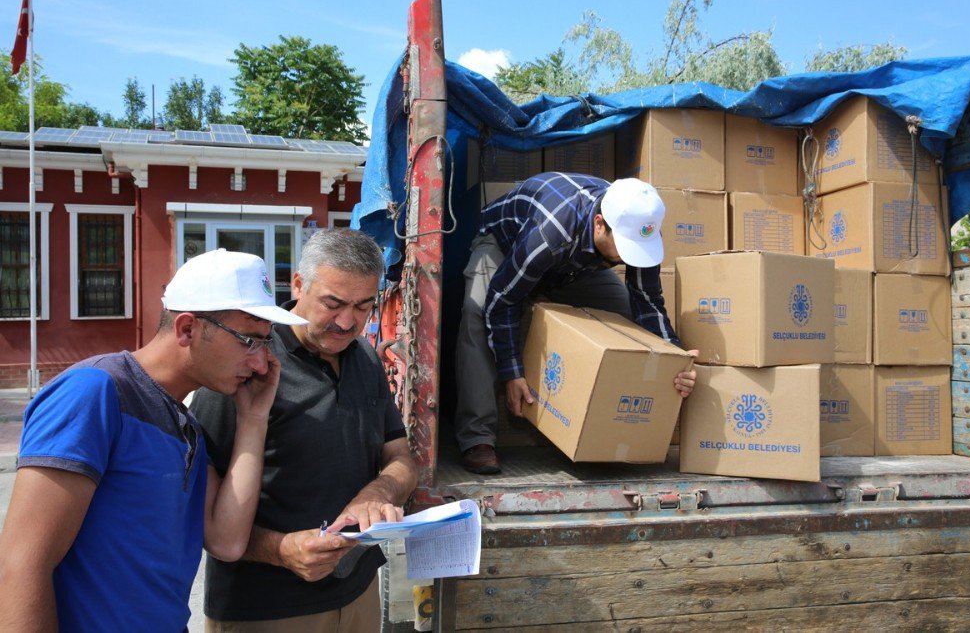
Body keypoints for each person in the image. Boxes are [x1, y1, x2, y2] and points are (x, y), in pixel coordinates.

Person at [0, 248, 307, 632]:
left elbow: (227, 541)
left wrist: (253, 418)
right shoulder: (95, 391)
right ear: (187, 329)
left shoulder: (184, 422)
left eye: (266, 343)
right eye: (248, 341)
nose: (261, 363)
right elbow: (22, 563)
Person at [190, 228, 418, 631]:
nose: (348, 322)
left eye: (364, 306)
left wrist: (378, 492)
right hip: (267, 609)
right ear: (298, 284)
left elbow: (400, 457)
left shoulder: (364, 357)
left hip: (359, 592)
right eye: (334, 303)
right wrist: (281, 550)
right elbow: (199, 513)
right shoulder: (249, 363)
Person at [455, 171, 699, 474]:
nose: (630, 257)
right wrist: (512, 372)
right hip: (507, 247)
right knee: (477, 312)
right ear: (600, 224)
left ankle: (608, 433)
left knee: (624, 322)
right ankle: (478, 438)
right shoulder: (551, 232)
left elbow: (647, 303)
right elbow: (501, 300)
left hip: (574, 266)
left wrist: (674, 358)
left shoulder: (641, 229)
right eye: (625, 248)